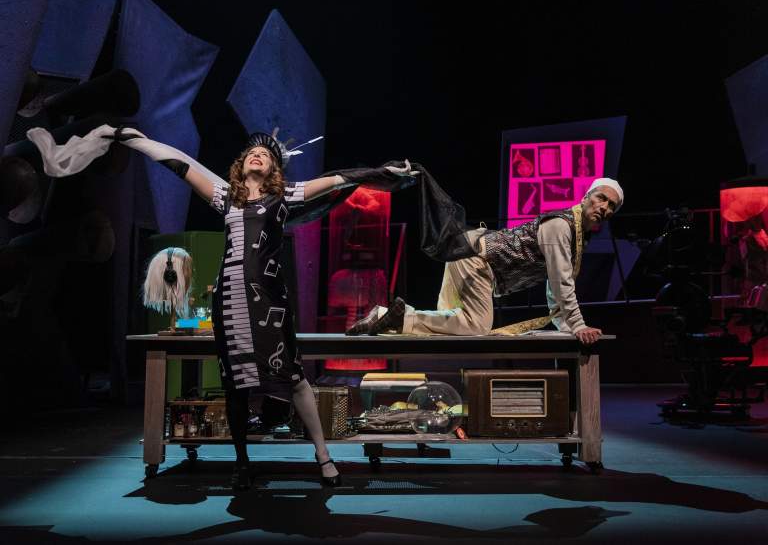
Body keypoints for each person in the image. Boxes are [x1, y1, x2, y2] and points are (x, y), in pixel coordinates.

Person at [27, 124, 417, 491]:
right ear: (241, 164)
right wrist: (131, 137)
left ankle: (323, 456)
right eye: (253, 153)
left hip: (270, 299)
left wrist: (382, 172)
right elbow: (177, 162)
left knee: (295, 377)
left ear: (274, 169)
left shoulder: (285, 195)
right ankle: (241, 462)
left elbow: (339, 179)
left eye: (267, 155)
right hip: (230, 297)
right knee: (236, 383)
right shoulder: (224, 196)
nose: (258, 155)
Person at [346, 178, 624, 346]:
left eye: (612, 206)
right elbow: (562, 282)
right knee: (476, 327)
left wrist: (567, 329)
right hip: (477, 256)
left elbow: (555, 286)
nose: (604, 207)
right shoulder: (561, 225)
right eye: (601, 198)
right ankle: (396, 316)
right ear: (586, 197)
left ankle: (383, 317)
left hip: (472, 252)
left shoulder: (576, 236)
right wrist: (578, 325)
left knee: (452, 328)